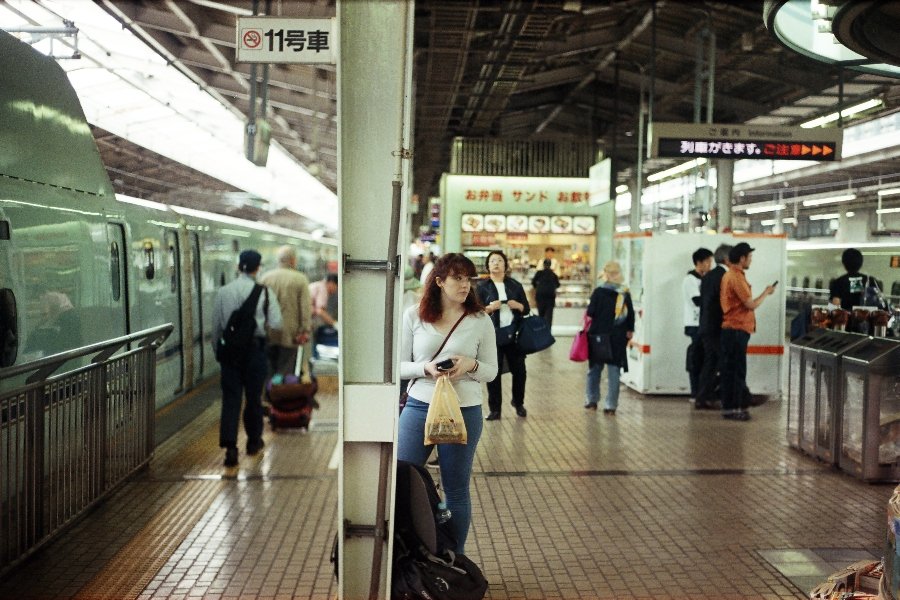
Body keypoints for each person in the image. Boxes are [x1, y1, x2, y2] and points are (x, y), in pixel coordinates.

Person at [398, 253, 498, 554]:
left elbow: (491, 371)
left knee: (455, 489)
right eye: (458, 278)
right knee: (403, 478)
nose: (465, 285)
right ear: (439, 281)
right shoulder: (413, 315)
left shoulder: (480, 320)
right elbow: (398, 366)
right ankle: (408, 554)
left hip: (464, 409)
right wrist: (424, 368)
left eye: (469, 279)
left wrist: (469, 365)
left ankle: (454, 557)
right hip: (419, 406)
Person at [212, 250, 283, 466]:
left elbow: (216, 328)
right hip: (255, 353)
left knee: (231, 400)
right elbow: (278, 323)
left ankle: (230, 450)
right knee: (253, 398)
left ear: (238, 266)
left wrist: (219, 353)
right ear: (258, 267)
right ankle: (253, 442)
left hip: (230, 355)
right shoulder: (265, 292)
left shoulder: (223, 292)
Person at [719, 242, 775, 421]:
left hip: (732, 330)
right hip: (736, 329)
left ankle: (730, 407)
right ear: (742, 258)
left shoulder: (730, 276)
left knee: (730, 371)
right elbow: (750, 304)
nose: (751, 260)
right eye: (749, 257)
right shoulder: (736, 277)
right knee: (736, 371)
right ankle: (736, 408)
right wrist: (766, 292)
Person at [477, 250, 530, 420]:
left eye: (500, 260)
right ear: (488, 265)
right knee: (494, 373)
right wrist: (490, 308)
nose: (496, 263)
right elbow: (476, 312)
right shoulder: (482, 287)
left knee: (520, 371)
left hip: (514, 334)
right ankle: (495, 409)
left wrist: (518, 306)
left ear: (506, 265)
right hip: (493, 335)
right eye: (492, 261)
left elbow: (526, 309)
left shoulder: (515, 285)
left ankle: (518, 402)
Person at [584, 261, 634, 415]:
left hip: (598, 335)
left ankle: (592, 401)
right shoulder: (624, 293)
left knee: (594, 370)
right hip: (617, 336)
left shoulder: (599, 292)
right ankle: (611, 405)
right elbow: (630, 315)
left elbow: (591, 312)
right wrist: (630, 331)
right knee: (614, 372)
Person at [259, 245, 311, 375]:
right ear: (293, 260)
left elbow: (260, 307)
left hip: (268, 332)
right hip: (291, 333)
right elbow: (305, 308)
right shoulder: (300, 279)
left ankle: (270, 392)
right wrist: (304, 330)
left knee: (269, 367)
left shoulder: (265, 278)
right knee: (286, 369)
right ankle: (282, 392)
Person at [696, 244, 732, 410]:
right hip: (717, 328)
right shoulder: (725, 277)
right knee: (724, 362)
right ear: (727, 259)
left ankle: (703, 397)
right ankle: (729, 397)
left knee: (710, 363)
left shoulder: (708, 276)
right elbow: (722, 304)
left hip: (705, 326)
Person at [683, 248, 714, 400]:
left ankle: (702, 392)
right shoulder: (690, 280)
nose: (710, 265)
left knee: (703, 359)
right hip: (694, 325)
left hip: (703, 324)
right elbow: (698, 301)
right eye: (708, 261)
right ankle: (695, 392)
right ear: (699, 263)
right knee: (697, 358)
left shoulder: (704, 279)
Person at [531, 258, 561, 327]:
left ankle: (541, 331)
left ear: (543, 264)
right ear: (550, 265)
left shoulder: (539, 273)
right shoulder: (553, 274)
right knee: (549, 317)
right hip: (550, 298)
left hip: (540, 297)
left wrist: (538, 288)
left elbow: (533, 282)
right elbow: (558, 285)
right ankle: (548, 332)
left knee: (541, 315)